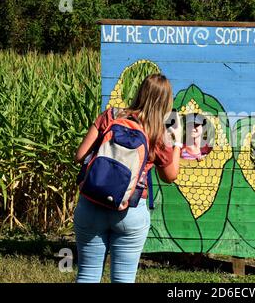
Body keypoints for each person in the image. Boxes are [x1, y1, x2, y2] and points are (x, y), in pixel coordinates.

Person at [73, 74, 183, 283]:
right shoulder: (160, 133)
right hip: (129, 211)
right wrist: (177, 142)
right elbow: (170, 176)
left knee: (87, 275)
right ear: (167, 101)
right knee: (123, 279)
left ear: (140, 92)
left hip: (91, 204)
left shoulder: (110, 116)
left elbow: (80, 156)